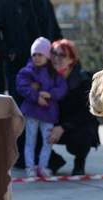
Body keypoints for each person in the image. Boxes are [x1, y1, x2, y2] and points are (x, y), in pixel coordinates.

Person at [0, 0, 63, 168]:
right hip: (19, 69)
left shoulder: (44, 4)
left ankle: (44, 156)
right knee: (22, 113)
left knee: (45, 112)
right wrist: (9, 53)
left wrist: (58, 58)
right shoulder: (6, 4)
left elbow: (56, 33)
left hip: (47, 71)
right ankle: (22, 157)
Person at [47, 39, 100, 175]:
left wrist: (63, 127)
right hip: (52, 123)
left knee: (81, 138)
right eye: (54, 54)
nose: (56, 58)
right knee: (28, 131)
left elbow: (86, 113)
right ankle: (53, 161)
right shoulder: (45, 76)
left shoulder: (83, 80)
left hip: (76, 125)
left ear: (71, 60)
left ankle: (79, 162)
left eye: (62, 55)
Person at [16, 37, 67, 177]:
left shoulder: (54, 73)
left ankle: (43, 166)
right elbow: (21, 86)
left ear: (47, 56)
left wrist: (50, 94)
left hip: (49, 113)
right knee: (30, 141)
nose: (37, 58)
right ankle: (30, 167)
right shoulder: (27, 71)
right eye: (34, 54)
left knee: (47, 141)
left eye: (40, 54)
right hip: (32, 113)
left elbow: (62, 88)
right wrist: (36, 96)